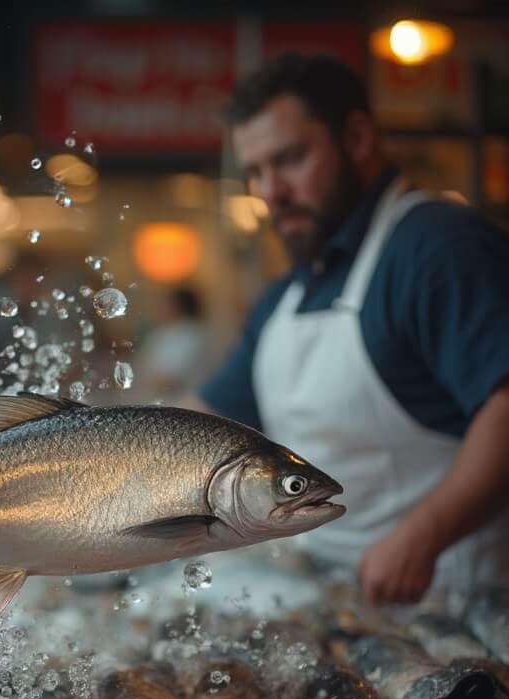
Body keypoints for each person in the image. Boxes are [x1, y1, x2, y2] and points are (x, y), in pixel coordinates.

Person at [186, 53, 509, 605]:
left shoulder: (436, 248)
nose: (271, 192)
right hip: (335, 599)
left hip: (457, 606)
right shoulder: (287, 295)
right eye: (257, 171)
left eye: (289, 159)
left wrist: (422, 537)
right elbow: (202, 421)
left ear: (357, 138)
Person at [136, 285, 209, 401]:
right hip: (158, 400)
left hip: (181, 403)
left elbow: (170, 381)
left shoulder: (191, 335)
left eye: (164, 304)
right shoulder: (161, 333)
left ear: (177, 307)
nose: (158, 308)